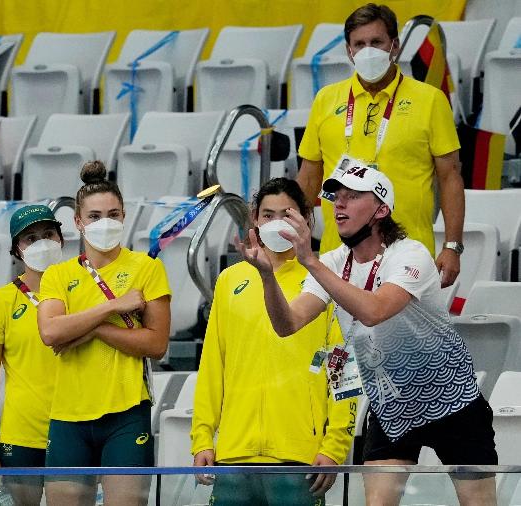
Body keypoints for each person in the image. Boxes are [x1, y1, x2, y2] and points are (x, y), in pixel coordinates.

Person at [239, 164, 496, 506]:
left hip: (452, 403)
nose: (338, 205)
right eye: (336, 197)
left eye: (352, 196)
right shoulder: (333, 262)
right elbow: (288, 324)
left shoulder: (410, 254)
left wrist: (309, 261)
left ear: (381, 209)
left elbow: (374, 311)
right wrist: (267, 276)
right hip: (391, 409)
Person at [191, 178, 356, 505]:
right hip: (233, 456)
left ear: (306, 218)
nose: (277, 223)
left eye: (287, 214)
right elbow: (212, 365)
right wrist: (202, 440)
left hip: (298, 457)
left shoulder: (324, 280)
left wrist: (334, 446)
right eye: (268, 215)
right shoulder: (229, 281)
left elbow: (342, 367)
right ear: (254, 217)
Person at [296, 3, 464, 288]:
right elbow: (309, 176)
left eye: (376, 42)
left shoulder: (431, 100)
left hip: (407, 254)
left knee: (400, 333)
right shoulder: (326, 100)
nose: (367, 51)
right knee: (337, 334)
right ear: (349, 51)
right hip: (338, 254)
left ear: (394, 45)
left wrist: (452, 246)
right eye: (359, 44)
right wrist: (291, 236)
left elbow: (450, 177)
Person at [37, 161, 172, 506]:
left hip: (127, 412)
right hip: (68, 416)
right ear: (79, 222)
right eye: (95, 216)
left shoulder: (147, 268)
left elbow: (156, 344)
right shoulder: (57, 274)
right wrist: (111, 309)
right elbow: (51, 332)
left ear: (124, 216)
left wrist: (92, 329)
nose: (105, 223)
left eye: (113, 214)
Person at [0, 205, 64, 505]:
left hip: (78, 431)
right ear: (16, 249)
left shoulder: (82, 293)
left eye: (48, 234)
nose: (42, 243)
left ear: (61, 239)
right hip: (22, 435)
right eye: (31, 238)